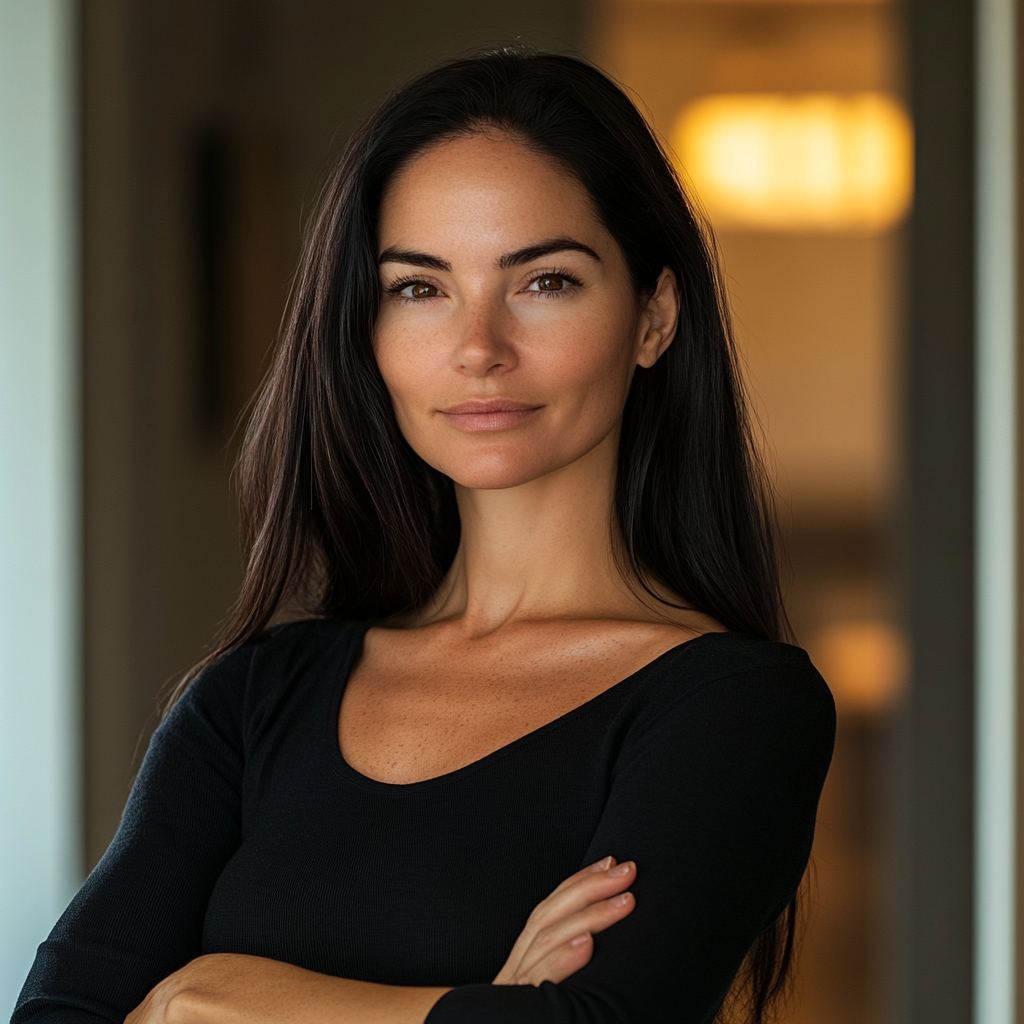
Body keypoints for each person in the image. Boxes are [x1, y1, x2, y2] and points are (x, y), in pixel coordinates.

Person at [13, 48, 834, 1024]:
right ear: (367, 331)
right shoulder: (250, 699)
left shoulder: (732, 708)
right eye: (419, 288)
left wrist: (205, 999)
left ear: (652, 316)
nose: (478, 347)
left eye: (546, 282)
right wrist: (481, 1003)